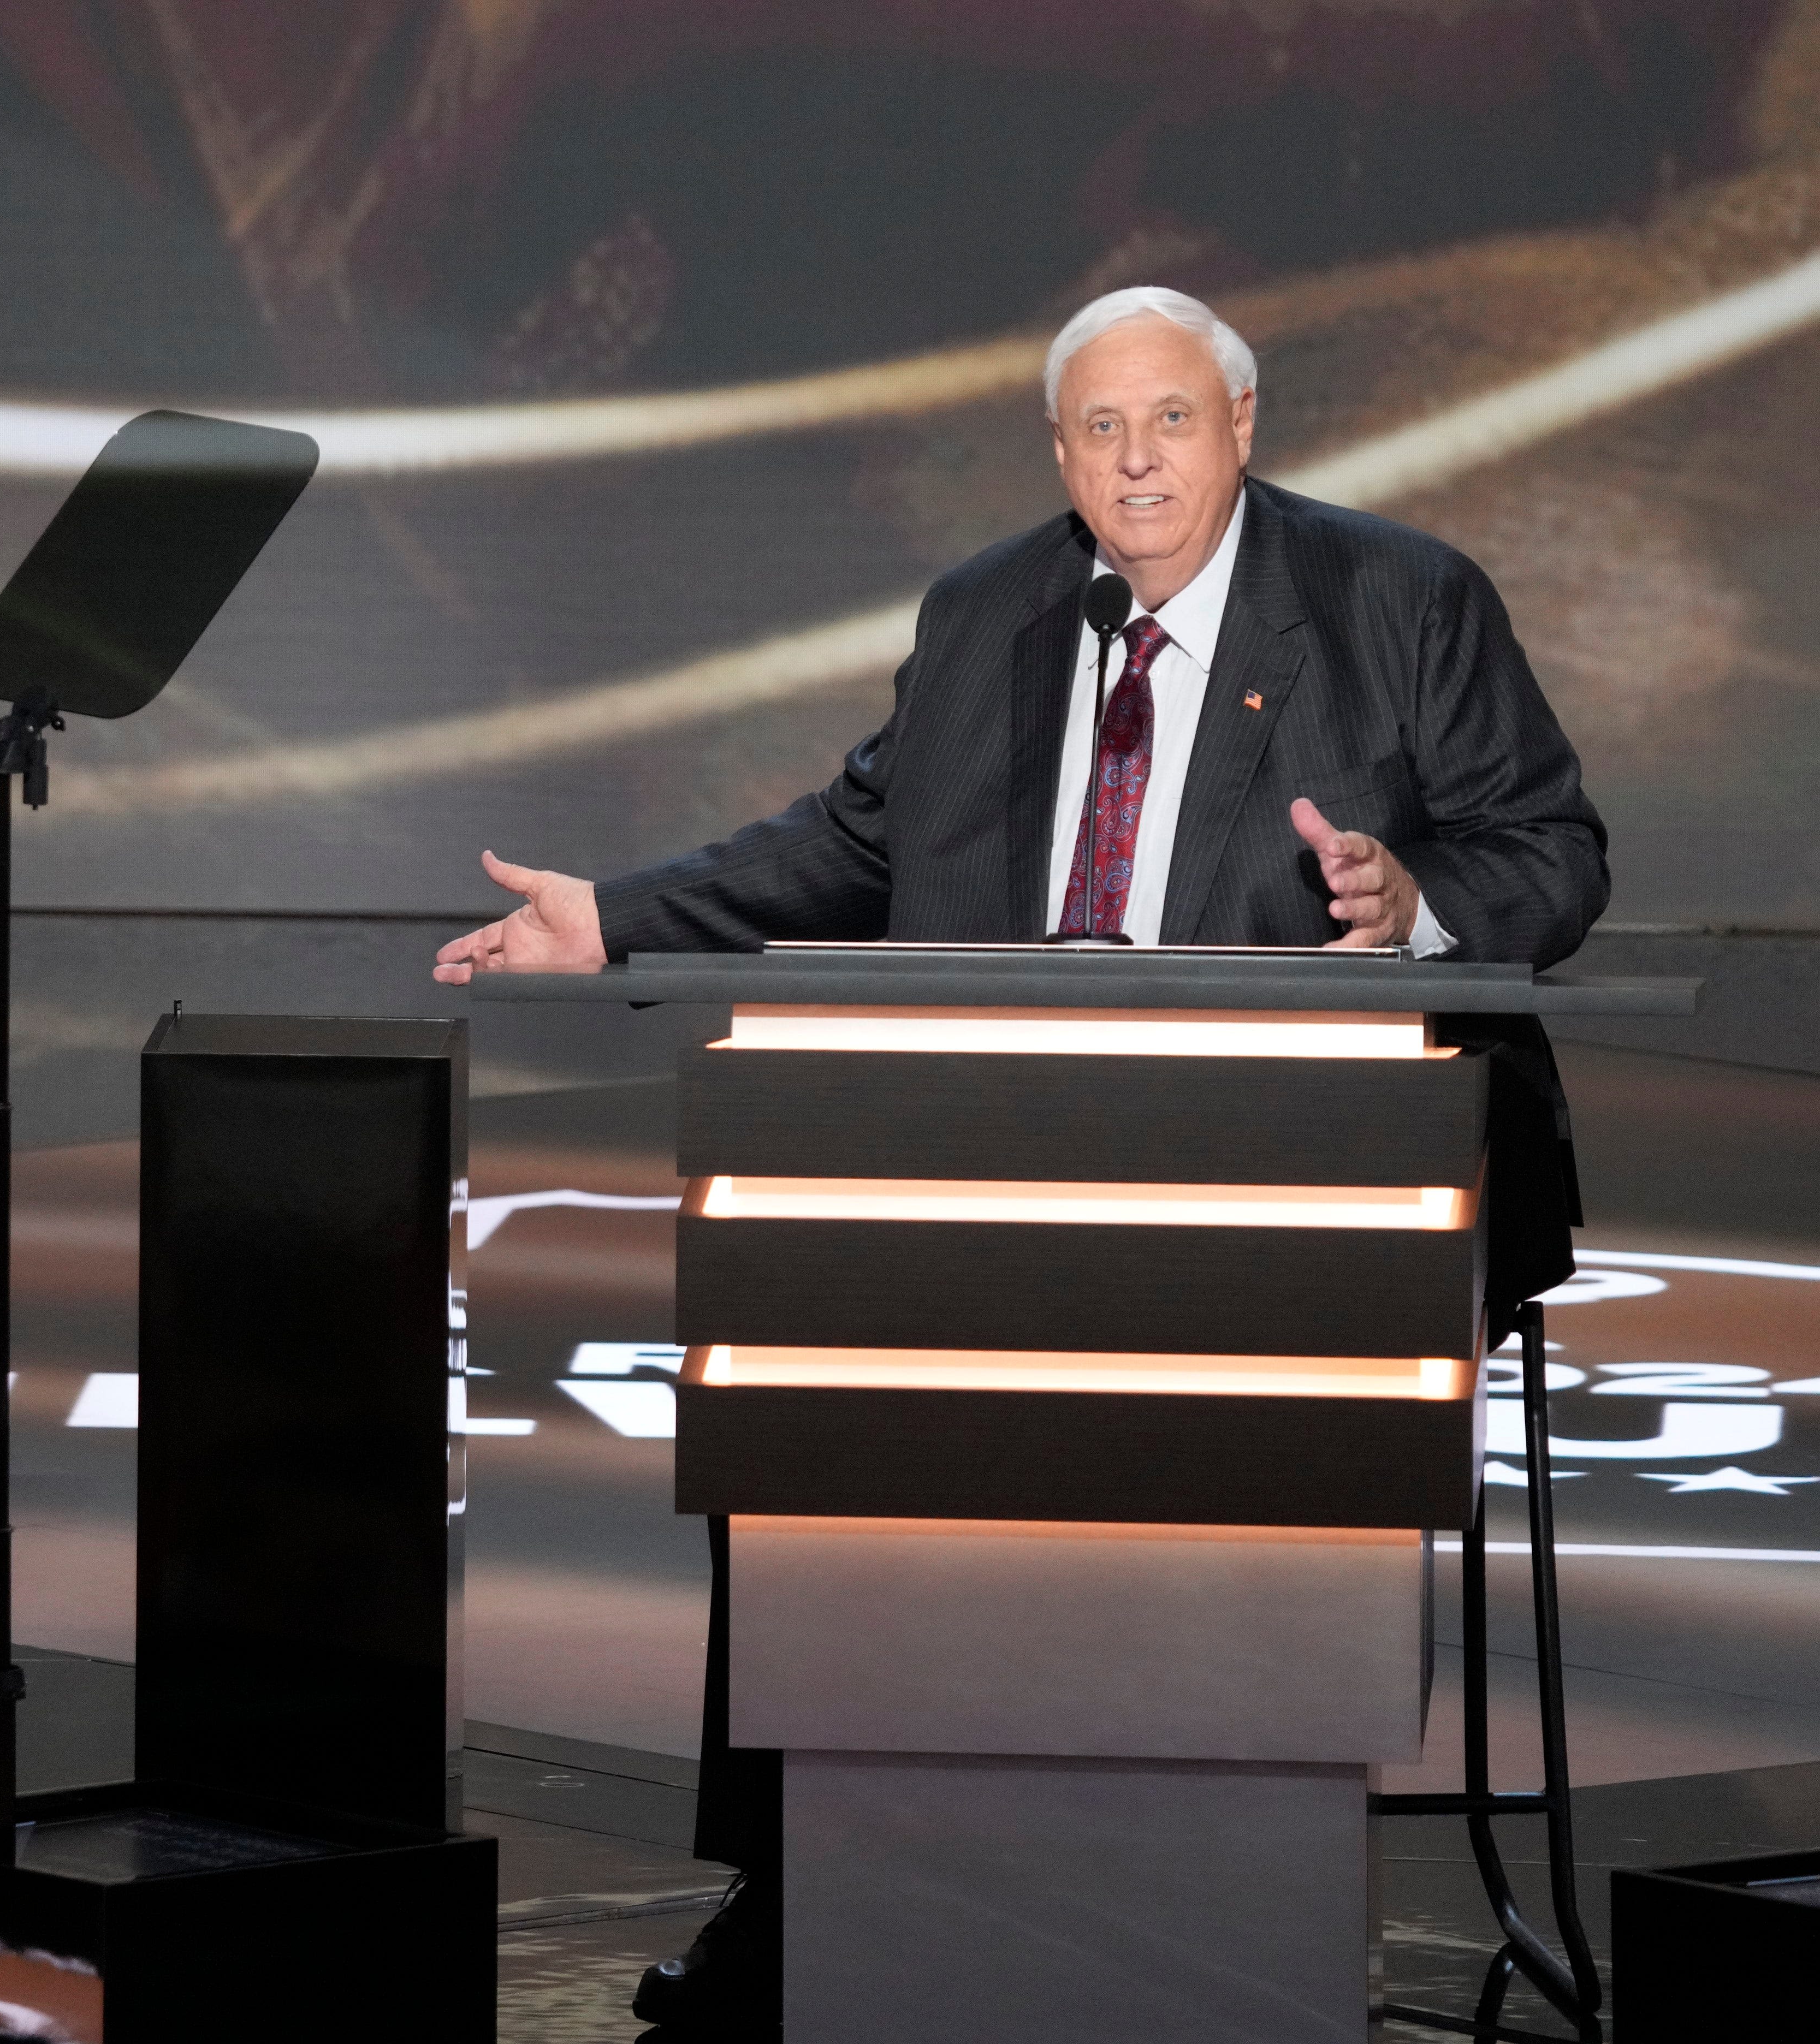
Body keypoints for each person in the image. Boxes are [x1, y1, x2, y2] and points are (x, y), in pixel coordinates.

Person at [432, 285, 1608, 2040]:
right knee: (805, 1354)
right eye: (1102, 431)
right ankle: (814, 1879)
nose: (1139, 462)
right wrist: (611, 918)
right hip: (978, 1168)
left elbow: (1557, 851)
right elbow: (851, 843)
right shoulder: (987, 611)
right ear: (1062, 455)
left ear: (1246, 430)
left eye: (1174, 423)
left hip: (1307, 1190)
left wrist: (1415, 907)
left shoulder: (1399, 601)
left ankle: (1222, 1900)